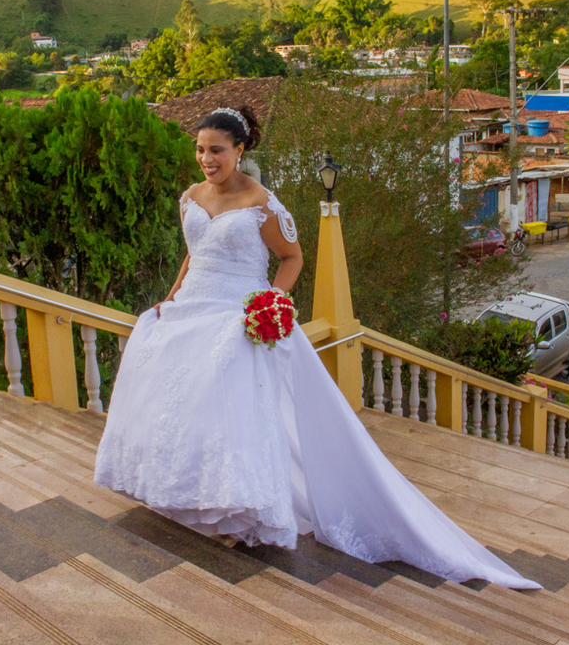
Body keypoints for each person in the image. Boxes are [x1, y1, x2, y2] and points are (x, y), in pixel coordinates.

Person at [94, 105, 539, 589]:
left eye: (216, 150)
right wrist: (171, 297)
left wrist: (269, 303)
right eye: (200, 150)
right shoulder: (191, 197)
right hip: (190, 310)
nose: (206, 159)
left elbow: (291, 257)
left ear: (239, 150)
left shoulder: (262, 203)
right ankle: (184, 494)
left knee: (228, 406)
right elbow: (193, 255)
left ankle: (237, 508)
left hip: (236, 315)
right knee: (178, 401)